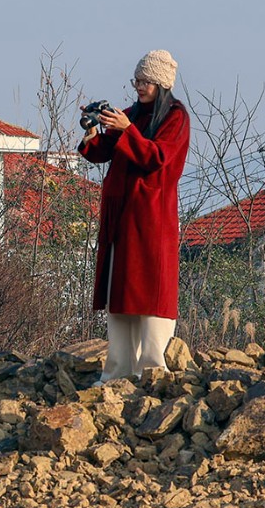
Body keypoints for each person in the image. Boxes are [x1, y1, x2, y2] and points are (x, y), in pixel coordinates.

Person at [78, 50, 190, 382]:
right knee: (120, 292)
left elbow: (158, 158)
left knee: (150, 292)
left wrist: (127, 130)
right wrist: (93, 129)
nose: (139, 87)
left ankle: (152, 371)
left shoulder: (175, 118)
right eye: (136, 81)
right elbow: (103, 151)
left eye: (145, 82)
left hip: (152, 217)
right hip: (122, 217)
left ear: (162, 83)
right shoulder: (132, 115)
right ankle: (118, 371)